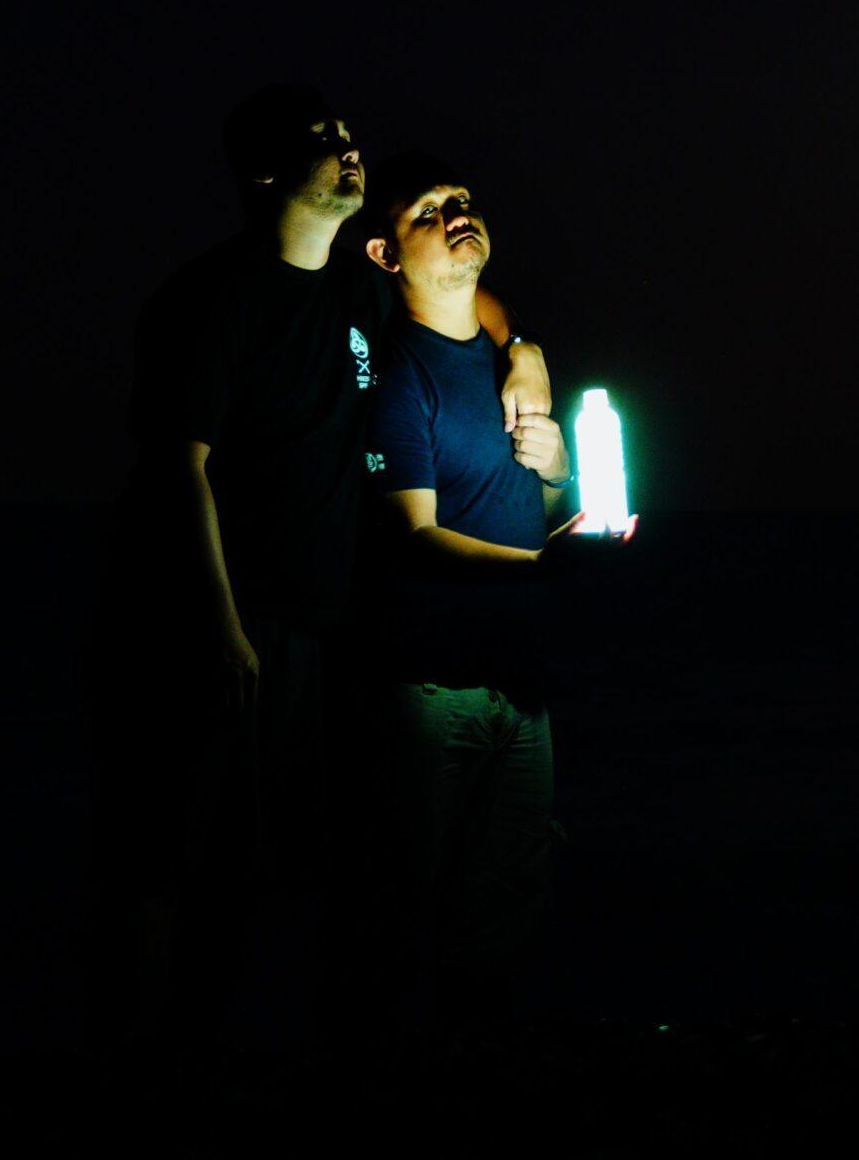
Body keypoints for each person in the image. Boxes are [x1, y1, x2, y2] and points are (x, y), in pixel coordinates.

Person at [84, 86, 550, 1067]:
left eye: (349, 136)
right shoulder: (216, 296)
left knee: (267, 862)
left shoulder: (354, 292)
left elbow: (467, 297)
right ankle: (130, 1058)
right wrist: (220, 624)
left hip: (317, 620)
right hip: (216, 614)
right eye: (322, 141)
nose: (349, 149)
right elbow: (182, 466)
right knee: (171, 849)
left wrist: (525, 358)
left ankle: (229, 1050)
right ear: (264, 174)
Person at [359, 150, 627, 1053]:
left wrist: (562, 485)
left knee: (509, 899)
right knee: (402, 899)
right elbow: (412, 532)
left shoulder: (508, 361)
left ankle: (482, 1073)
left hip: (523, 682)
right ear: (386, 255)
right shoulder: (397, 375)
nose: (455, 212)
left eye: (463, 200)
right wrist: (537, 569)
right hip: (432, 686)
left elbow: (540, 506)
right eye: (428, 210)